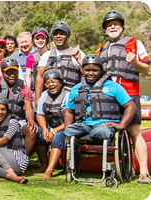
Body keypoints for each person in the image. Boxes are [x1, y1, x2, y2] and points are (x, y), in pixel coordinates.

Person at [59, 55, 136, 180]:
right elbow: (69, 111)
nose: (91, 73)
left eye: (94, 70)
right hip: (84, 125)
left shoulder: (113, 86)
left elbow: (131, 106)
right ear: (82, 70)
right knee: (68, 130)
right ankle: (71, 167)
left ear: (100, 70)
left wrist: (121, 125)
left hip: (105, 125)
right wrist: (68, 125)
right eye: (87, 70)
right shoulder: (76, 89)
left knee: (101, 131)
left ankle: (106, 167)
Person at [96, 10, 151, 184]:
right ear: (105, 29)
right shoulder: (101, 49)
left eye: (116, 24)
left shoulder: (134, 43)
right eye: (109, 25)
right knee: (112, 132)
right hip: (108, 97)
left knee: (134, 132)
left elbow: (146, 69)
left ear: (122, 26)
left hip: (129, 93)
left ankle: (144, 172)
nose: (112, 26)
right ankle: (124, 168)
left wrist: (134, 62)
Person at [0, 57, 38, 157]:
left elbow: (29, 108)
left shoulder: (24, 88)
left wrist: (31, 119)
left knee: (32, 130)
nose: (12, 75)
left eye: (14, 72)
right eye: (8, 73)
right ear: (2, 72)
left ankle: (22, 160)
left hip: (16, 121)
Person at [35, 21, 85, 101]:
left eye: (62, 33)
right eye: (55, 34)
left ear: (67, 35)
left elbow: (86, 73)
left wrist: (78, 59)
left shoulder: (77, 53)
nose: (58, 36)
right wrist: (38, 99)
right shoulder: (47, 55)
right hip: (51, 96)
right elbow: (39, 77)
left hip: (71, 96)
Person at [35, 69, 72, 177]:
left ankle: (49, 170)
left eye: (54, 82)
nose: (51, 85)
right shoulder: (44, 95)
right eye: (47, 83)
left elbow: (71, 120)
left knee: (58, 137)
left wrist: (55, 130)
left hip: (65, 126)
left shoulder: (68, 94)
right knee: (38, 132)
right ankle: (44, 164)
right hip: (50, 125)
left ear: (60, 82)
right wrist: (45, 128)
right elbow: (40, 114)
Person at [26, 28, 49, 97]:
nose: (40, 41)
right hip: (35, 92)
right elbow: (28, 76)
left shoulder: (52, 54)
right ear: (33, 41)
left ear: (46, 40)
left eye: (42, 38)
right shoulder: (30, 57)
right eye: (37, 39)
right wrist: (28, 92)